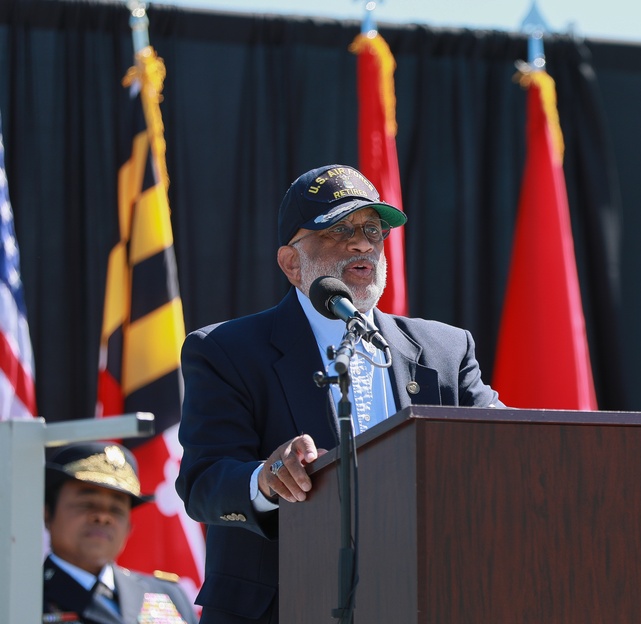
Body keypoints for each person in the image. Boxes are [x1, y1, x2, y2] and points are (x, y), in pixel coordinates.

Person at [175, 164, 503, 623]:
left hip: (422, 600)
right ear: (292, 263)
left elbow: (506, 446)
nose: (363, 243)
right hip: (282, 606)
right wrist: (267, 478)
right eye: (338, 229)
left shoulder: (445, 350)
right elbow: (203, 484)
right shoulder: (227, 351)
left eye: (373, 229)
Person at [43, 441, 199, 624]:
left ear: (129, 527)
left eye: (116, 510)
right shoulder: (18, 598)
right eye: (86, 504)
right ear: (47, 514)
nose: (103, 517)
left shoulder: (167, 596)